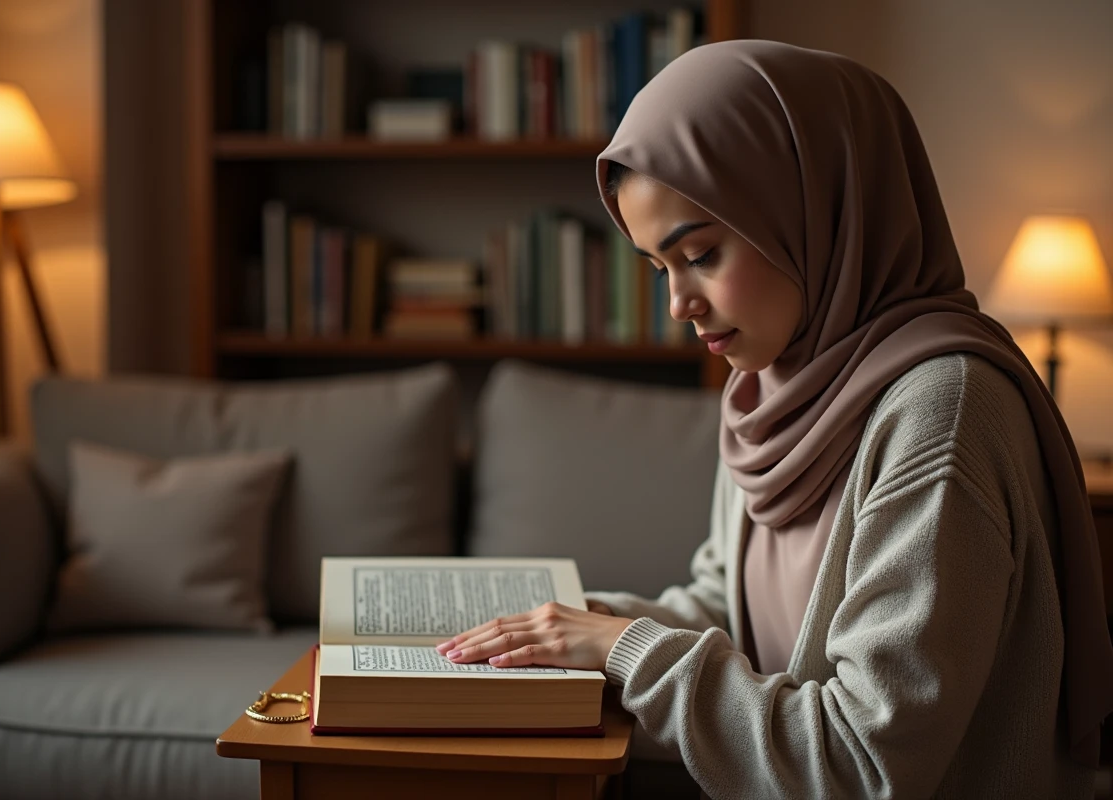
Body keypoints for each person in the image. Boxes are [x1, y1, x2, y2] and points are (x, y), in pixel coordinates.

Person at [435, 40, 1113, 797]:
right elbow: (730, 611)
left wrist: (624, 646)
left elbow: (866, 765)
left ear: (812, 209)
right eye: (659, 268)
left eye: (702, 254)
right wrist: (576, 628)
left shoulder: (942, 411)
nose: (677, 306)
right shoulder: (769, 389)